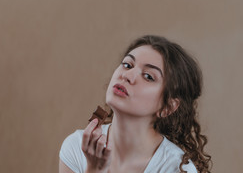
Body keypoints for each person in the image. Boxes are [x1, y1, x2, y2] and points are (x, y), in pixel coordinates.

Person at [59, 35, 212, 173]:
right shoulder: (76, 147)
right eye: (127, 65)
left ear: (168, 107)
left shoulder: (176, 169)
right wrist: (93, 170)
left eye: (148, 76)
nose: (127, 75)